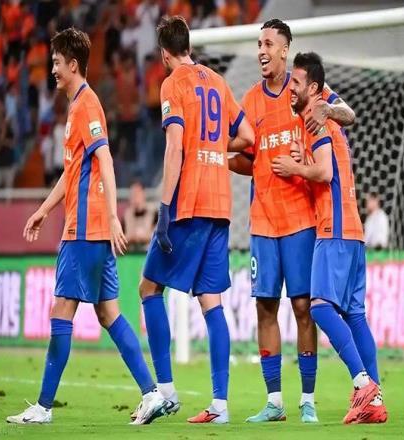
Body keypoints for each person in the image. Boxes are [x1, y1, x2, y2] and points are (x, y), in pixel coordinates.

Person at [6, 27, 167, 426]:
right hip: (91, 228)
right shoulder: (78, 105)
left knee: (61, 310)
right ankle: (152, 394)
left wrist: (112, 215)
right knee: (109, 313)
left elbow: (105, 159)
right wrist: (44, 209)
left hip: (84, 229)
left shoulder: (87, 105)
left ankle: (43, 407)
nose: (53, 70)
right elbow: (73, 170)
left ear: (73, 64)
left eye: (57, 63)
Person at [228, 19, 356, 424]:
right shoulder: (250, 100)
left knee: (303, 307)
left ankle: (308, 400)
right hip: (263, 223)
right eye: (259, 44)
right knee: (265, 307)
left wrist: (327, 109)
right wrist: (221, 159)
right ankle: (274, 402)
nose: (261, 51)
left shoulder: (304, 91)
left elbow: (348, 113)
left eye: (268, 44)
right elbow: (247, 156)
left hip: (301, 220)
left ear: (285, 49)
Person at [136, 16, 254, 425]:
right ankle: (219, 405)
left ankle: (165, 391)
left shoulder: (173, 84)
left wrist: (164, 209)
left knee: (148, 288)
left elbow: (174, 148)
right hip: (220, 205)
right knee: (210, 301)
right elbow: (248, 137)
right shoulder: (218, 82)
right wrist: (216, 146)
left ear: (164, 53)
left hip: (189, 203)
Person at [271, 51, 388, 425]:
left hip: (333, 228)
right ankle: (375, 402)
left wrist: (295, 166)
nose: (290, 88)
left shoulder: (315, 119)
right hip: (352, 230)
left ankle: (362, 383)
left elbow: (324, 173)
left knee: (320, 306)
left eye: (296, 83)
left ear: (314, 88)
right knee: (354, 315)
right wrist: (304, 160)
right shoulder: (325, 114)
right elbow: (328, 163)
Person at [123, 180, 156, 251]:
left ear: (143, 194)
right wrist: (132, 237)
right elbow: (122, 237)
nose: (134, 197)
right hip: (131, 252)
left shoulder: (153, 212)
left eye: (137, 194)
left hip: (148, 251)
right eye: (132, 194)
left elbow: (159, 235)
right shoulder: (127, 215)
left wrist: (144, 237)